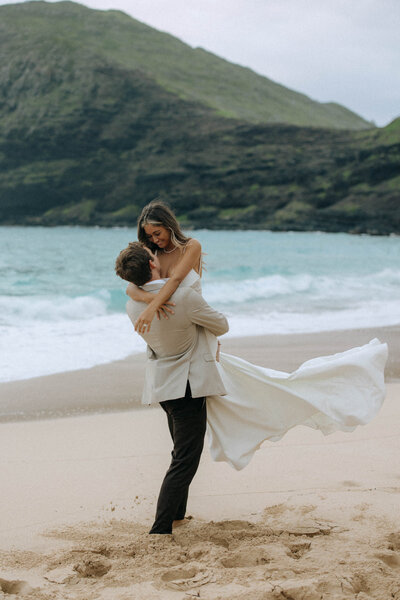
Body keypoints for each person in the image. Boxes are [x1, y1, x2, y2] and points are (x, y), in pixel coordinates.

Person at [115, 242, 229, 535]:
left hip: (164, 386)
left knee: (180, 453)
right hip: (189, 387)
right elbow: (222, 325)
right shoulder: (183, 298)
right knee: (185, 460)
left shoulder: (133, 305)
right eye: (154, 255)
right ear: (153, 264)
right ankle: (160, 528)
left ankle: (177, 515)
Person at [126, 201, 203, 334]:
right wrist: (150, 299)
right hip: (168, 326)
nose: (155, 240)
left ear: (169, 226)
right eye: (149, 236)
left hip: (195, 322)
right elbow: (130, 289)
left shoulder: (191, 246)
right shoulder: (152, 254)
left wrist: (151, 309)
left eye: (157, 233)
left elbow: (176, 280)